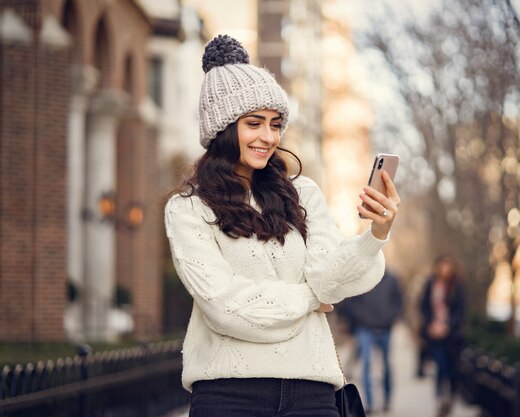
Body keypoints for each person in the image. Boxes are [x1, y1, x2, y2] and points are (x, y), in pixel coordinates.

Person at [164, 34, 401, 417]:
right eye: (254, 123)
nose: (269, 137)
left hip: (313, 394)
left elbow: (335, 278)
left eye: (275, 124)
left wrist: (376, 234)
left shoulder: (302, 194)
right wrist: (310, 299)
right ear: (223, 129)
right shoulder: (188, 209)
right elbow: (225, 308)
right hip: (228, 398)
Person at [337, 269, 404, 413]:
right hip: (364, 328)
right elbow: (350, 302)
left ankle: (387, 400)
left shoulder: (391, 278)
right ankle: (369, 403)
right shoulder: (358, 276)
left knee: (386, 364)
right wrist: (362, 320)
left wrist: (389, 319)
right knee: (366, 365)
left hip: (385, 328)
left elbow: (398, 302)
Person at [418, 255, 466, 417]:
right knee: (440, 365)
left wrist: (447, 327)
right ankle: (441, 399)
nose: (445, 269)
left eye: (448, 265)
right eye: (442, 265)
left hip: (452, 335)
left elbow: (460, 311)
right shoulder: (430, 284)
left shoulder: (457, 286)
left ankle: (450, 396)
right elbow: (423, 306)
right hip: (434, 333)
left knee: (451, 368)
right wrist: (430, 324)